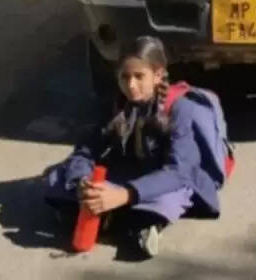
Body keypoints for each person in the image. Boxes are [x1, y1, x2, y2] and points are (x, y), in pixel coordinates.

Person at [43, 36, 228, 258]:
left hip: (163, 180)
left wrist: (126, 194)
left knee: (174, 194)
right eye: (124, 77)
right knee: (59, 177)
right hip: (124, 173)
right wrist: (82, 184)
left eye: (139, 77)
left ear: (158, 75)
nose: (131, 85)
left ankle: (142, 223)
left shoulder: (180, 110)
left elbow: (178, 171)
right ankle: (110, 212)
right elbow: (85, 151)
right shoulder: (113, 105)